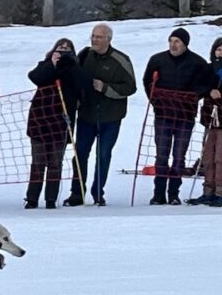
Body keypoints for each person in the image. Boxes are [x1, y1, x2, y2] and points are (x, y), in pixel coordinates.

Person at [64, 23, 137, 207]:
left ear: (108, 39)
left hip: (111, 117)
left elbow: (130, 87)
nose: (94, 40)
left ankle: (98, 193)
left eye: (99, 37)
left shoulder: (120, 60)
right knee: (80, 153)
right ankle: (76, 193)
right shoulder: (84, 56)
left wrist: (105, 88)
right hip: (87, 115)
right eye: (93, 36)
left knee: (103, 155)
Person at [142, 27, 212, 205]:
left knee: (179, 156)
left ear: (185, 44)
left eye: (177, 42)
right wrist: (155, 101)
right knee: (161, 155)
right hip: (163, 115)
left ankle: (173, 192)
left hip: (185, 117)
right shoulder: (157, 60)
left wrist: (192, 96)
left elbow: (206, 84)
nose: (173, 45)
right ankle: (158, 193)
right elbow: (147, 81)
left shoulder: (198, 63)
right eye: (171, 41)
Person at [25, 38, 87, 209]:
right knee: (37, 162)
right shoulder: (44, 64)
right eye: (61, 47)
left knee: (55, 162)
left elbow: (82, 85)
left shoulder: (75, 68)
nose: (64, 50)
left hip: (61, 123)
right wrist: (52, 64)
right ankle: (31, 198)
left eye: (68, 48)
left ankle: (51, 199)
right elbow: (35, 77)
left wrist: (71, 65)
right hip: (40, 122)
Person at [190, 37, 222, 206]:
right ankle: (207, 191)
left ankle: (220, 192)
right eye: (218, 49)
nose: (220, 53)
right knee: (208, 157)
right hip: (210, 118)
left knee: (220, 158)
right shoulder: (208, 69)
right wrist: (209, 91)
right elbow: (197, 87)